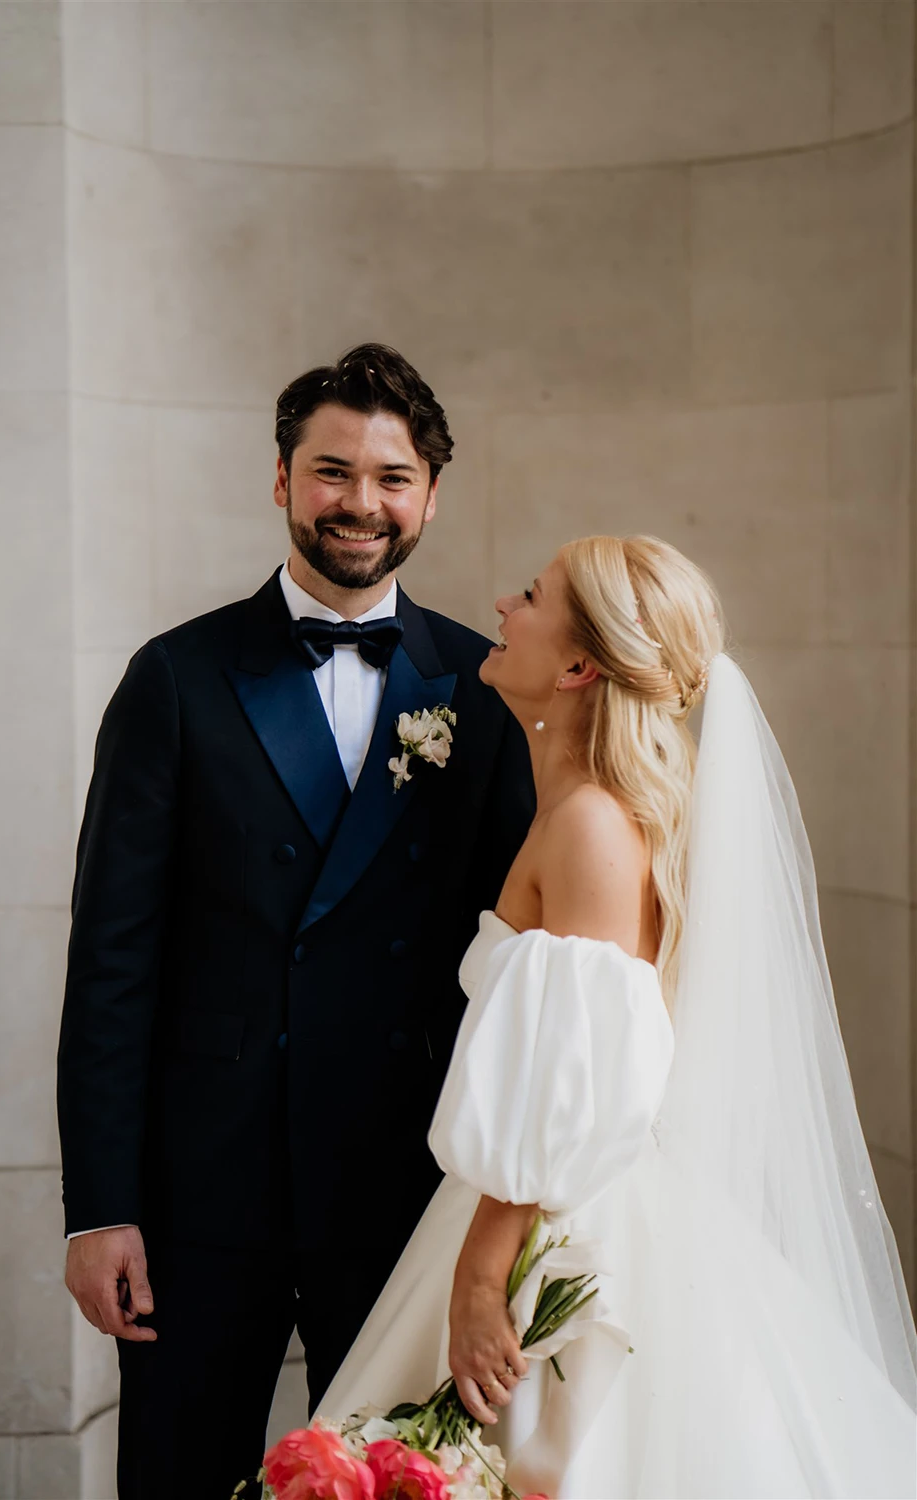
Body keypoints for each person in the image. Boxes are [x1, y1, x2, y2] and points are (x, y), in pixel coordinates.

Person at [321, 534, 917, 1498]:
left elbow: (575, 1078)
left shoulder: (591, 825)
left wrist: (482, 1279)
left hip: (552, 1218)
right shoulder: (582, 811)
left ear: (578, 668)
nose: (503, 606)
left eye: (530, 596)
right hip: (541, 1199)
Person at [56, 343, 534, 1500]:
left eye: (392, 477)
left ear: (430, 495)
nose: (359, 503)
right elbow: (111, 959)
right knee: (178, 1475)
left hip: (404, 1178)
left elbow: (522, 957)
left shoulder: (484, 686)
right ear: (280, 480)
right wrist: (101, 1208)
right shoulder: (176, 677)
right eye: (331, 471)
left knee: (390, 1484)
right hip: (201, 1186)